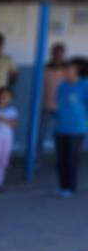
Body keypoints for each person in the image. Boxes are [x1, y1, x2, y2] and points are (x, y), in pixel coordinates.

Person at [53, 57, 88, 197]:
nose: (66, 70)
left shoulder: (85, 85)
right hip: (60, 128)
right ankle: (62, 186)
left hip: (76, 129)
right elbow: (59, 102)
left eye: (69, 68)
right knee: (60, 160)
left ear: (78, 70)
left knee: (71, 159)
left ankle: (70, 187)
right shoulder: (62, 85)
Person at [42, 42, 67, 153]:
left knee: (63, 133)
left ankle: (62, 155)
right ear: (51, 54)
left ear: (63, 54)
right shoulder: (45, 68)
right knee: (40, 132)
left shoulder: (68, 69)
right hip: (47, 105)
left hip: (63, 107)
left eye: (60, 53)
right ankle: (36, 156)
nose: (57, 55)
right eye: (55, 53)